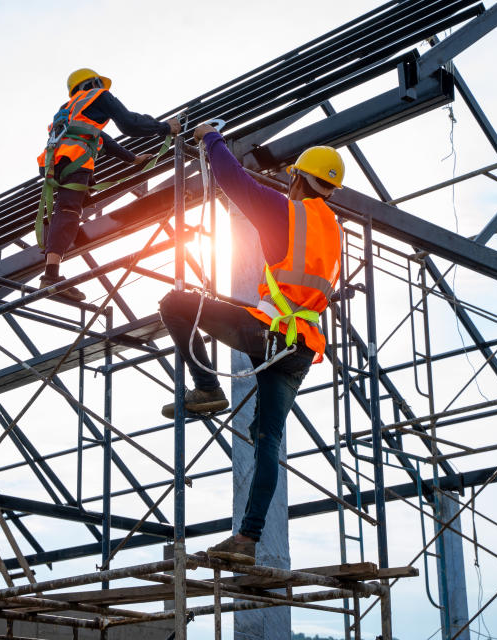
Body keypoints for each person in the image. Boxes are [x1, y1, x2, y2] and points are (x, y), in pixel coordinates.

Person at [158, 122, 344, 563]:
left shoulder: (285, 211)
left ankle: (206, 387)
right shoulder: (332, 229)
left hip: (269, 334)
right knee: (267, 439)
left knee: (174, 304)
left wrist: (210, 138)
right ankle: (248, 539)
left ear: (298, 178)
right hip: (300, 349)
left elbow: (230, 178)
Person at [37, 68, 181, 302]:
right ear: (93, 83)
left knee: (67, 207)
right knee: (69, 210)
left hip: (53, 164)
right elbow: (129, 124)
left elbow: (100, 138)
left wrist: (132, 158)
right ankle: (51, 276)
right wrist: (164, 127)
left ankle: (51, 272)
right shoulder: (99, 95)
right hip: (75, 159)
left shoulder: (68, 109)